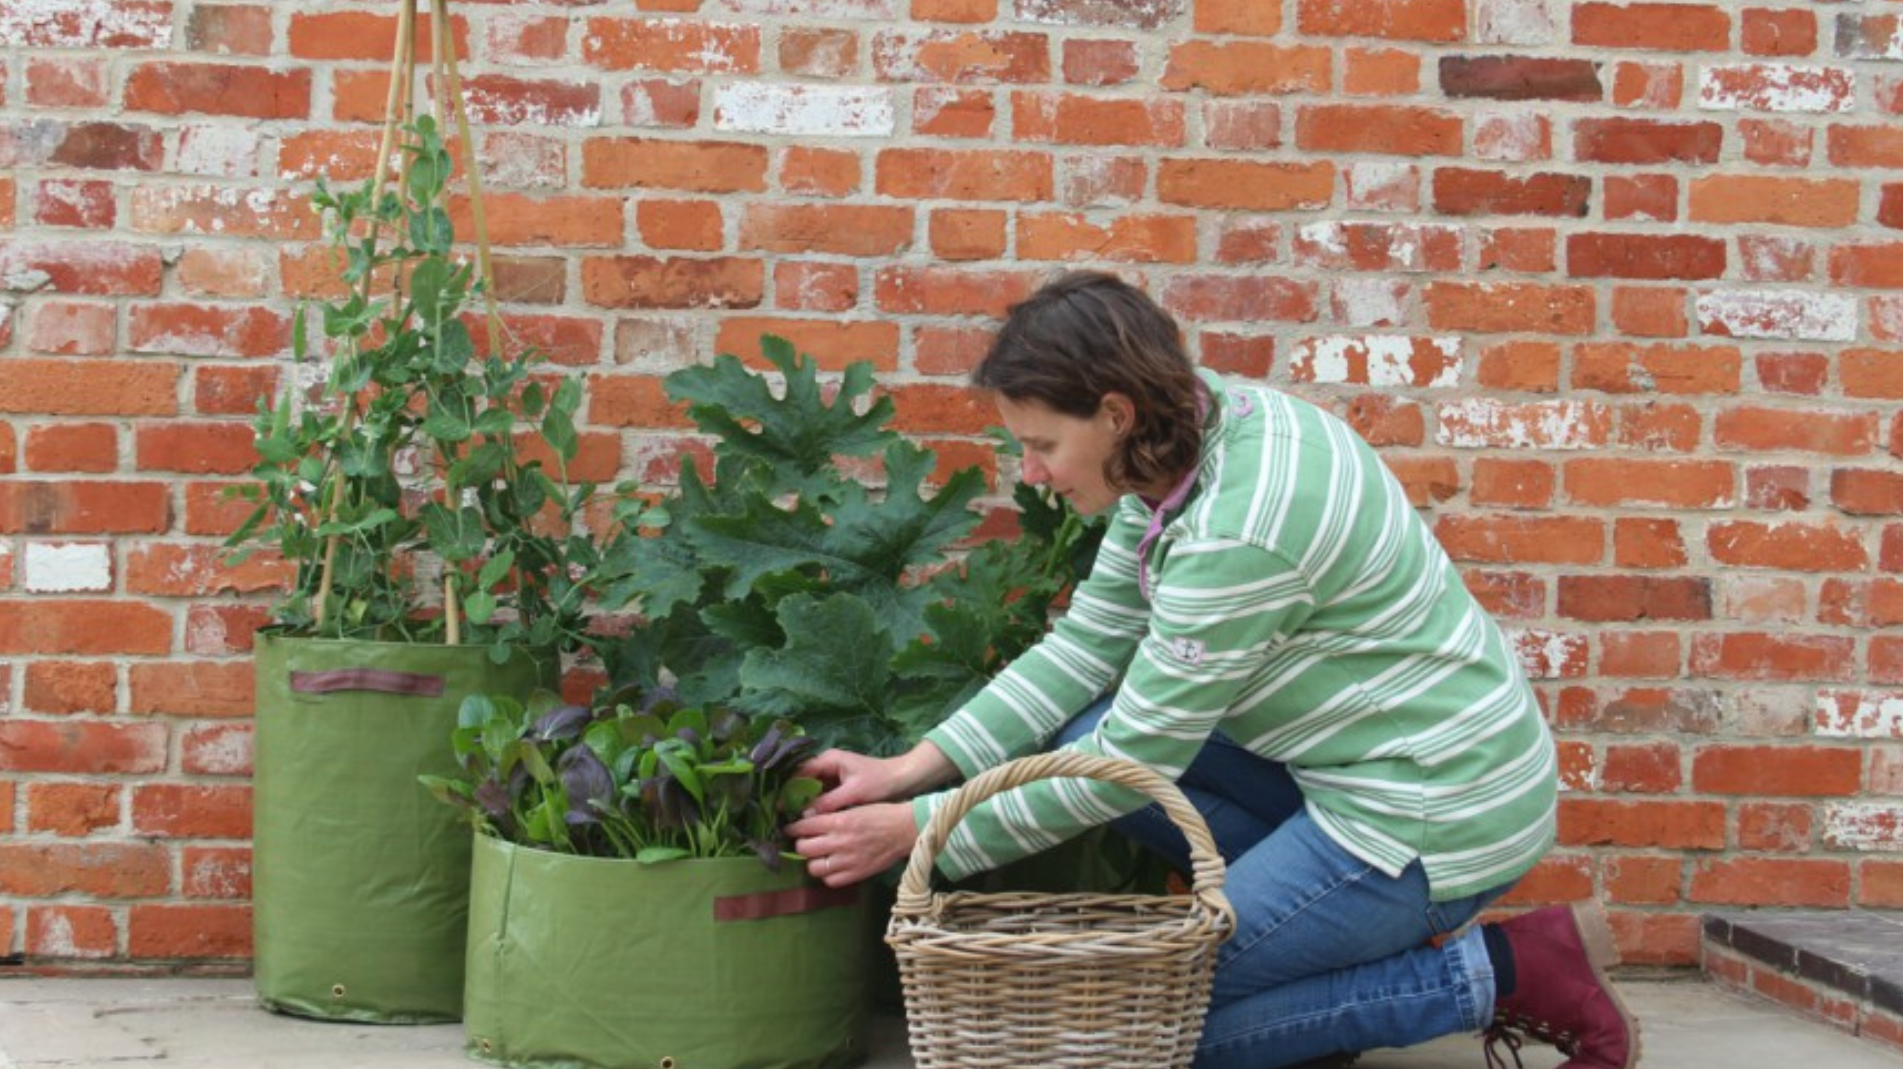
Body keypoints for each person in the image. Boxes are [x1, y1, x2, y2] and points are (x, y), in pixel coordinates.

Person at [786, 270, 1639, 1069]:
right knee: (1085, 727)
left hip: (1427, 813)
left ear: (1114, 412)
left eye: (1042, 444)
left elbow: (1131, 772)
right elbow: (1084, 649)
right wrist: (909, 771)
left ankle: (1501, 973)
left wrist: (921, 832)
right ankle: (1335, 954)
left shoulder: (1239, 531)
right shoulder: (1190, 443)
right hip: (1361, 767)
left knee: (1147, 1026)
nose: (1032, 474)